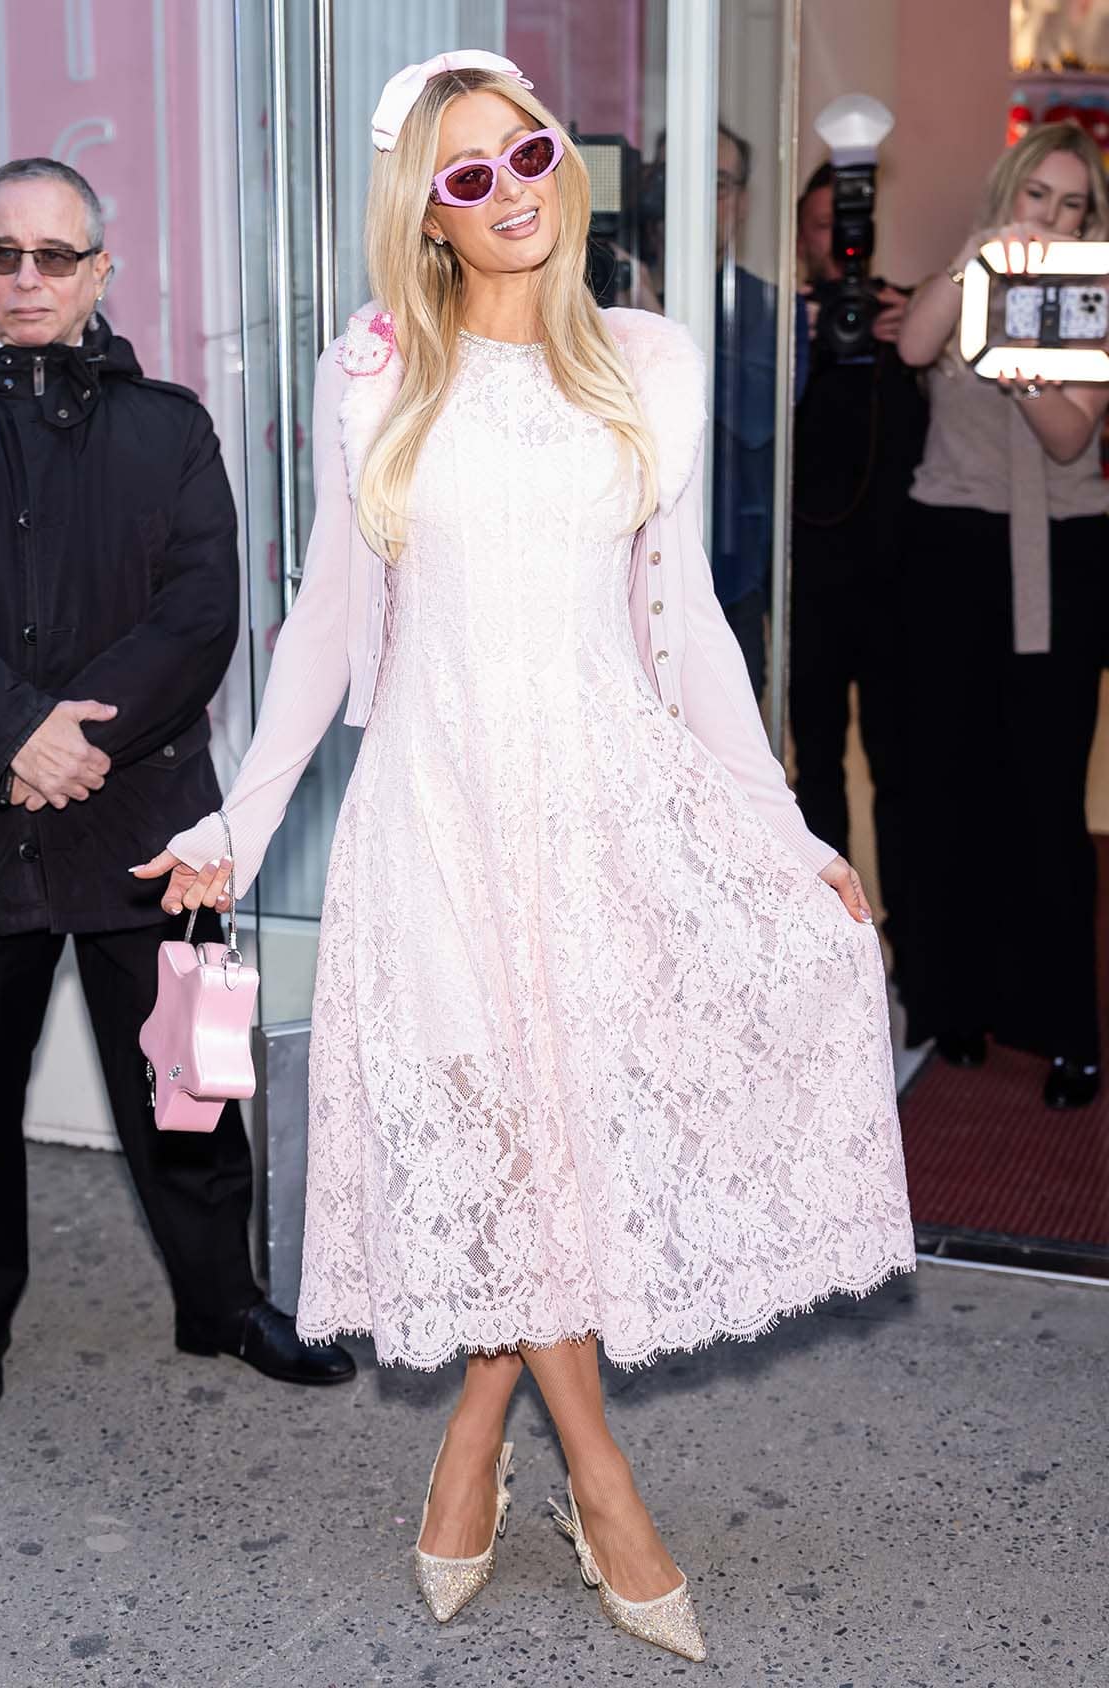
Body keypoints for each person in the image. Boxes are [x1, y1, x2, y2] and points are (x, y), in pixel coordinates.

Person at [136, 52, 915, 1661]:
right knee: (506, 1136)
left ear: (567, 162)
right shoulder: (378, 384)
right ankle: (611, 1484)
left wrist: (786, 836)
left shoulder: (648, 359)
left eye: (526, 153)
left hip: (604, 805)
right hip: (434, 811)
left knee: (550, 1151)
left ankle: (476, 1442)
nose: (505, 191)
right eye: (461, 176)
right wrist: (241, 819)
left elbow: (684, 623)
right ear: (421, 215)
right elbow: (323, 637)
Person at [0, 157, 355, 1426]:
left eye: (57, 254)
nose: (29, 277)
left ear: (102, 268)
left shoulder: (168, 424)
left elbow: (202, 609)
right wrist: (11, 734)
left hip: (144, 826)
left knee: (189, 1080)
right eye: (6, 254)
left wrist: (70, 738)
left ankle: (224, 1303)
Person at [896, 121, 1109, 1107]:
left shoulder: (1091, 299)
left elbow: (1071, 438)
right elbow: (913, 343)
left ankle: (1066, 1026)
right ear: (1009, 193)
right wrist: (980, 261)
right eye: (1040, 198)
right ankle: (957, 1004)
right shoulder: (973, 263)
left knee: (1047, 798)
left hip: (1061, 557)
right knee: (949, 786)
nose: (1054, 219)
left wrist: (1023, 363)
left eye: (1073, 206)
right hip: (952, 551)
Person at [790, 162, 929, 962]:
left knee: (900, 767)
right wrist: (794, 348)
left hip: (897, 586)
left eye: (841, 227)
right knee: (816, 771)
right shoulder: (781, 326)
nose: (832, 241)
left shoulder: (899, 320)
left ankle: (912, 947)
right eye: (818, 227)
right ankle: (832, 950)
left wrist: (918, 338)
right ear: (805, 240)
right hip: (812, 583)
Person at [713, 124, 810, 699]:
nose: (701, 199)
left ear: (744, 202)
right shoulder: (597, 297)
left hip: (729, 577)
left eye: (720, 184)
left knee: (737, 778)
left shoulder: (773, 309)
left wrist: (659, 329)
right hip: (607, 587)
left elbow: (760, 417)